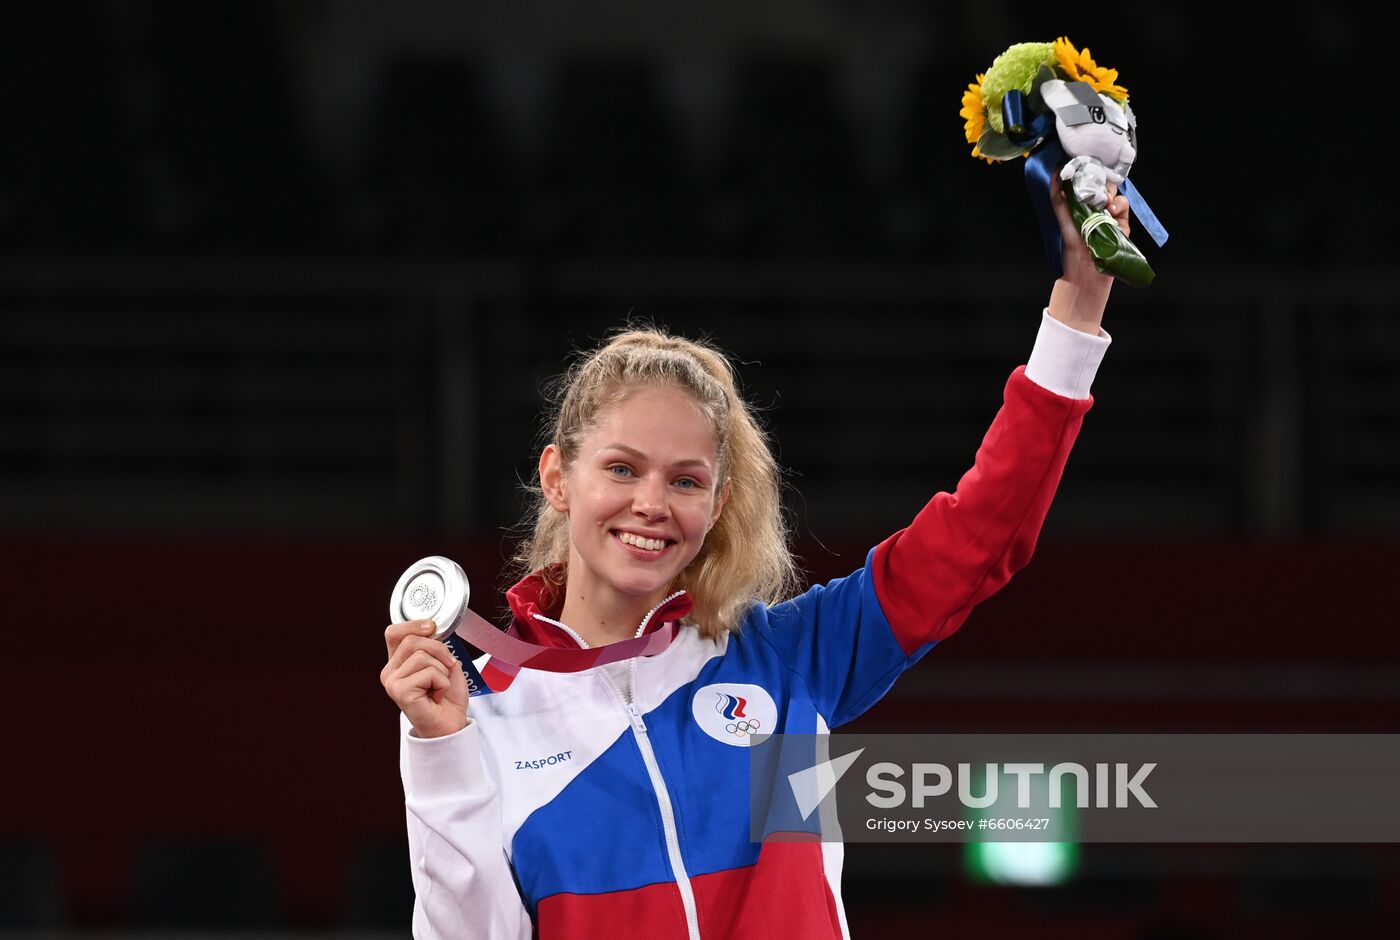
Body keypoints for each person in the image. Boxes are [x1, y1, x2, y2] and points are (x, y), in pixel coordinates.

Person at [380, 183, 1130, 939]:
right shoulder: (485, 707)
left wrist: (1081, 298)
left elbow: (978, 538)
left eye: (685, 481)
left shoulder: (786, 659)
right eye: (620, 469)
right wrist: (438, 752)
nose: (651, 503)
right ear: (556, 478)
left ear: (716, 502)